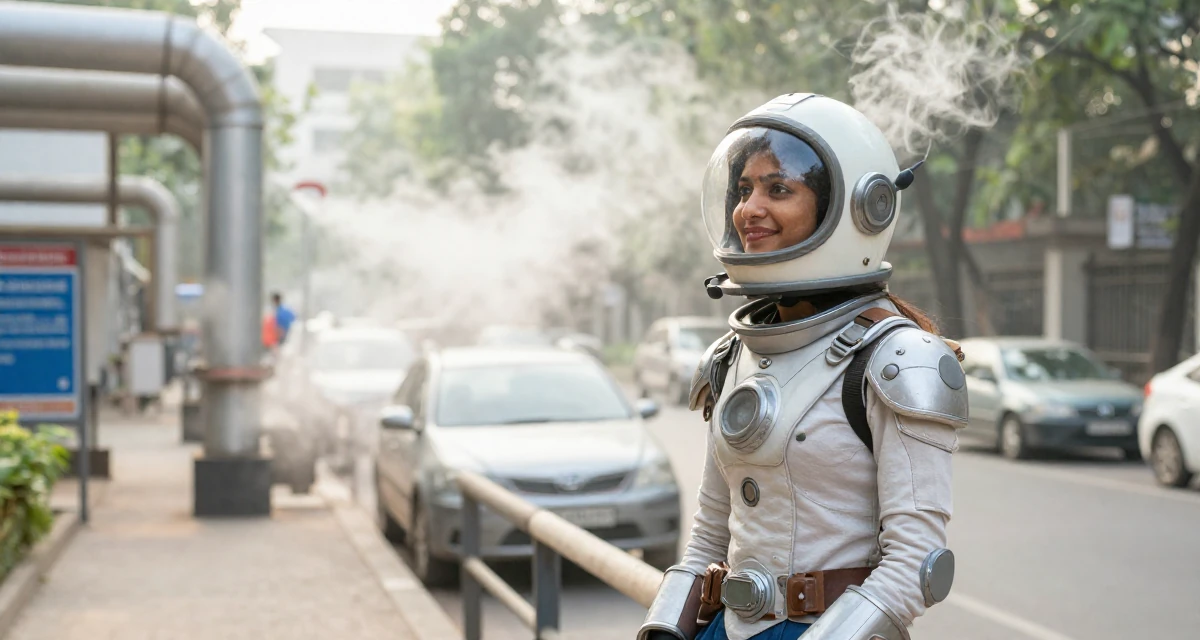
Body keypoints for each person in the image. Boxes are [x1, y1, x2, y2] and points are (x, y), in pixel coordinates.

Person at [639, 94, 966, 640]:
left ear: (858, 206)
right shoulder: (732, 355)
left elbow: (915, 566)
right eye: (744, 189)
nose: (749, 209)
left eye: (779, 188)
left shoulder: (895, 359)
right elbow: (709, 533)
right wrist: (665, 626)